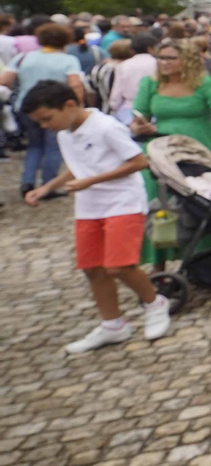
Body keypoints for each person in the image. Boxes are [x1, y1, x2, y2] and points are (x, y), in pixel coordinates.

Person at [22, 81, 172, 352]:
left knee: (120, 266)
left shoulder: (106, 127)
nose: (45, 126)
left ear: (69, 105)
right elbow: (77, 166)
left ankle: (155, 303)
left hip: (123, 202)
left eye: (46, 118)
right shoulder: (65, 132)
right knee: (92, 268)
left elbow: (139, 162)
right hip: (89, 205)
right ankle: (113, 325)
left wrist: (91, 181)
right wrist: (46, 187)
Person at [1, 23, 88, 198]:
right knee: (54, 147)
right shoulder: (68, 60)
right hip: (56, 109)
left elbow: (5, 80)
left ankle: (28, 181)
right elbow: (75, 84)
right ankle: (49, 185)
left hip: (26, 107)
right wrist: (79, 106)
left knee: (34, 145)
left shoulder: (23, 57)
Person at [132, 38, 211, 166]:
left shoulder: (205, 84)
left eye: (171, 58)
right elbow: (136, 121)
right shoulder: (150, 83)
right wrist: (139, 128)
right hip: (160, 150)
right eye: (160, 58)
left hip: (198, 148)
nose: (164, 62)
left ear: (188, 61)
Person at [107, 33, 158, 124]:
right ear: (151, 48)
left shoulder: (124, 65)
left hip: (128, 109)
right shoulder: (157, 64)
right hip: (153, 107)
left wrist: (114, 106)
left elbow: (117, 90)